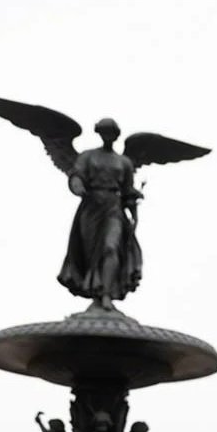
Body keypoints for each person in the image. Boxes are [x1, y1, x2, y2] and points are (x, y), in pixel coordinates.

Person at [58, 117, 143, 311]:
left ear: (116, 135)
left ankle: (105, 293)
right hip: (91, 207)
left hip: (113, 208)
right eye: (104, 132)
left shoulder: (124, 162)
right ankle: (95, 289)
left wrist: (134, 209)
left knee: (110, 247)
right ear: (99, 133)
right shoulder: (88, 156)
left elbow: (128, 191)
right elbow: (76, 175)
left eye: (111, 132)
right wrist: (77, 185)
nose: (107, 136)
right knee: (90, 253)